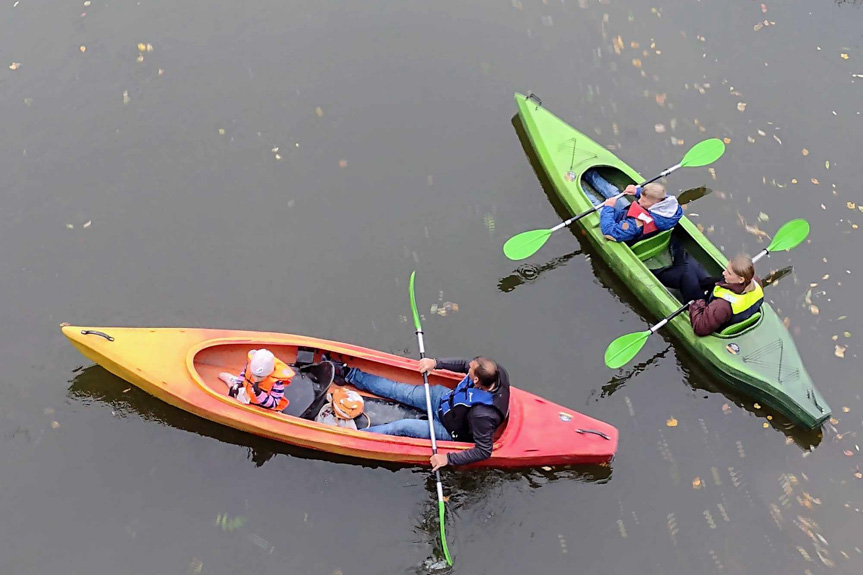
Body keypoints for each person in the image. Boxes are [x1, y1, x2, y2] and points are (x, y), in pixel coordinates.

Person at [333, 357, 510, 470]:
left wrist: (447, 459)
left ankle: (352, 436)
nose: (467, 367)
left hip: (447, 429)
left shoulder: (482, 415)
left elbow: (483, 451)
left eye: (471, 370)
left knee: (401, 427)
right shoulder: (496, 371)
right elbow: (465, 365)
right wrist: (436, 363)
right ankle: (348, 374)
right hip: (442, 400)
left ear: (476, 379)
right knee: (398, 390)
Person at [657, 251, 764, 336]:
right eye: (726, 269)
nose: (724, 273)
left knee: (686, 272)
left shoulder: (722, 306)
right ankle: (678, 251)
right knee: (688, 263)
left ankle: (654, 273)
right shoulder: (756, 282)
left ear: (741, 279)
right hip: (719, 310)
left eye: (729, 273)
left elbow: (699, 327)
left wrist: (697, 303)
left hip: (703, 308)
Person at [581, 169, 682, 243]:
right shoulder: (671, 206)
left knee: (597, 203)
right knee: (613, 192)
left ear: (653, 204)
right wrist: (637, 191)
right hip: (627, 214)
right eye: (640, 197)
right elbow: (654, 196)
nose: (639, 201)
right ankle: (589, 174)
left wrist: (608, 208)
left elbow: (609, 233)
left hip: (622, 225)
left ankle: (580, 187)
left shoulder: (636, 224)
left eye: (643, 200)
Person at [219, 349, 295, 410]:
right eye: (254, 375)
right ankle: (234, 382)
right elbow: (244, 374)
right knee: (234, 389)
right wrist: (239, 383)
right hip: (246, 393)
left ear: (268, 373)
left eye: (260, 377)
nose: (255, 379)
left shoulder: (277, 383)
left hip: (262, 405)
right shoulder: (250, 366)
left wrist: (259, 394)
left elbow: (274, 403)